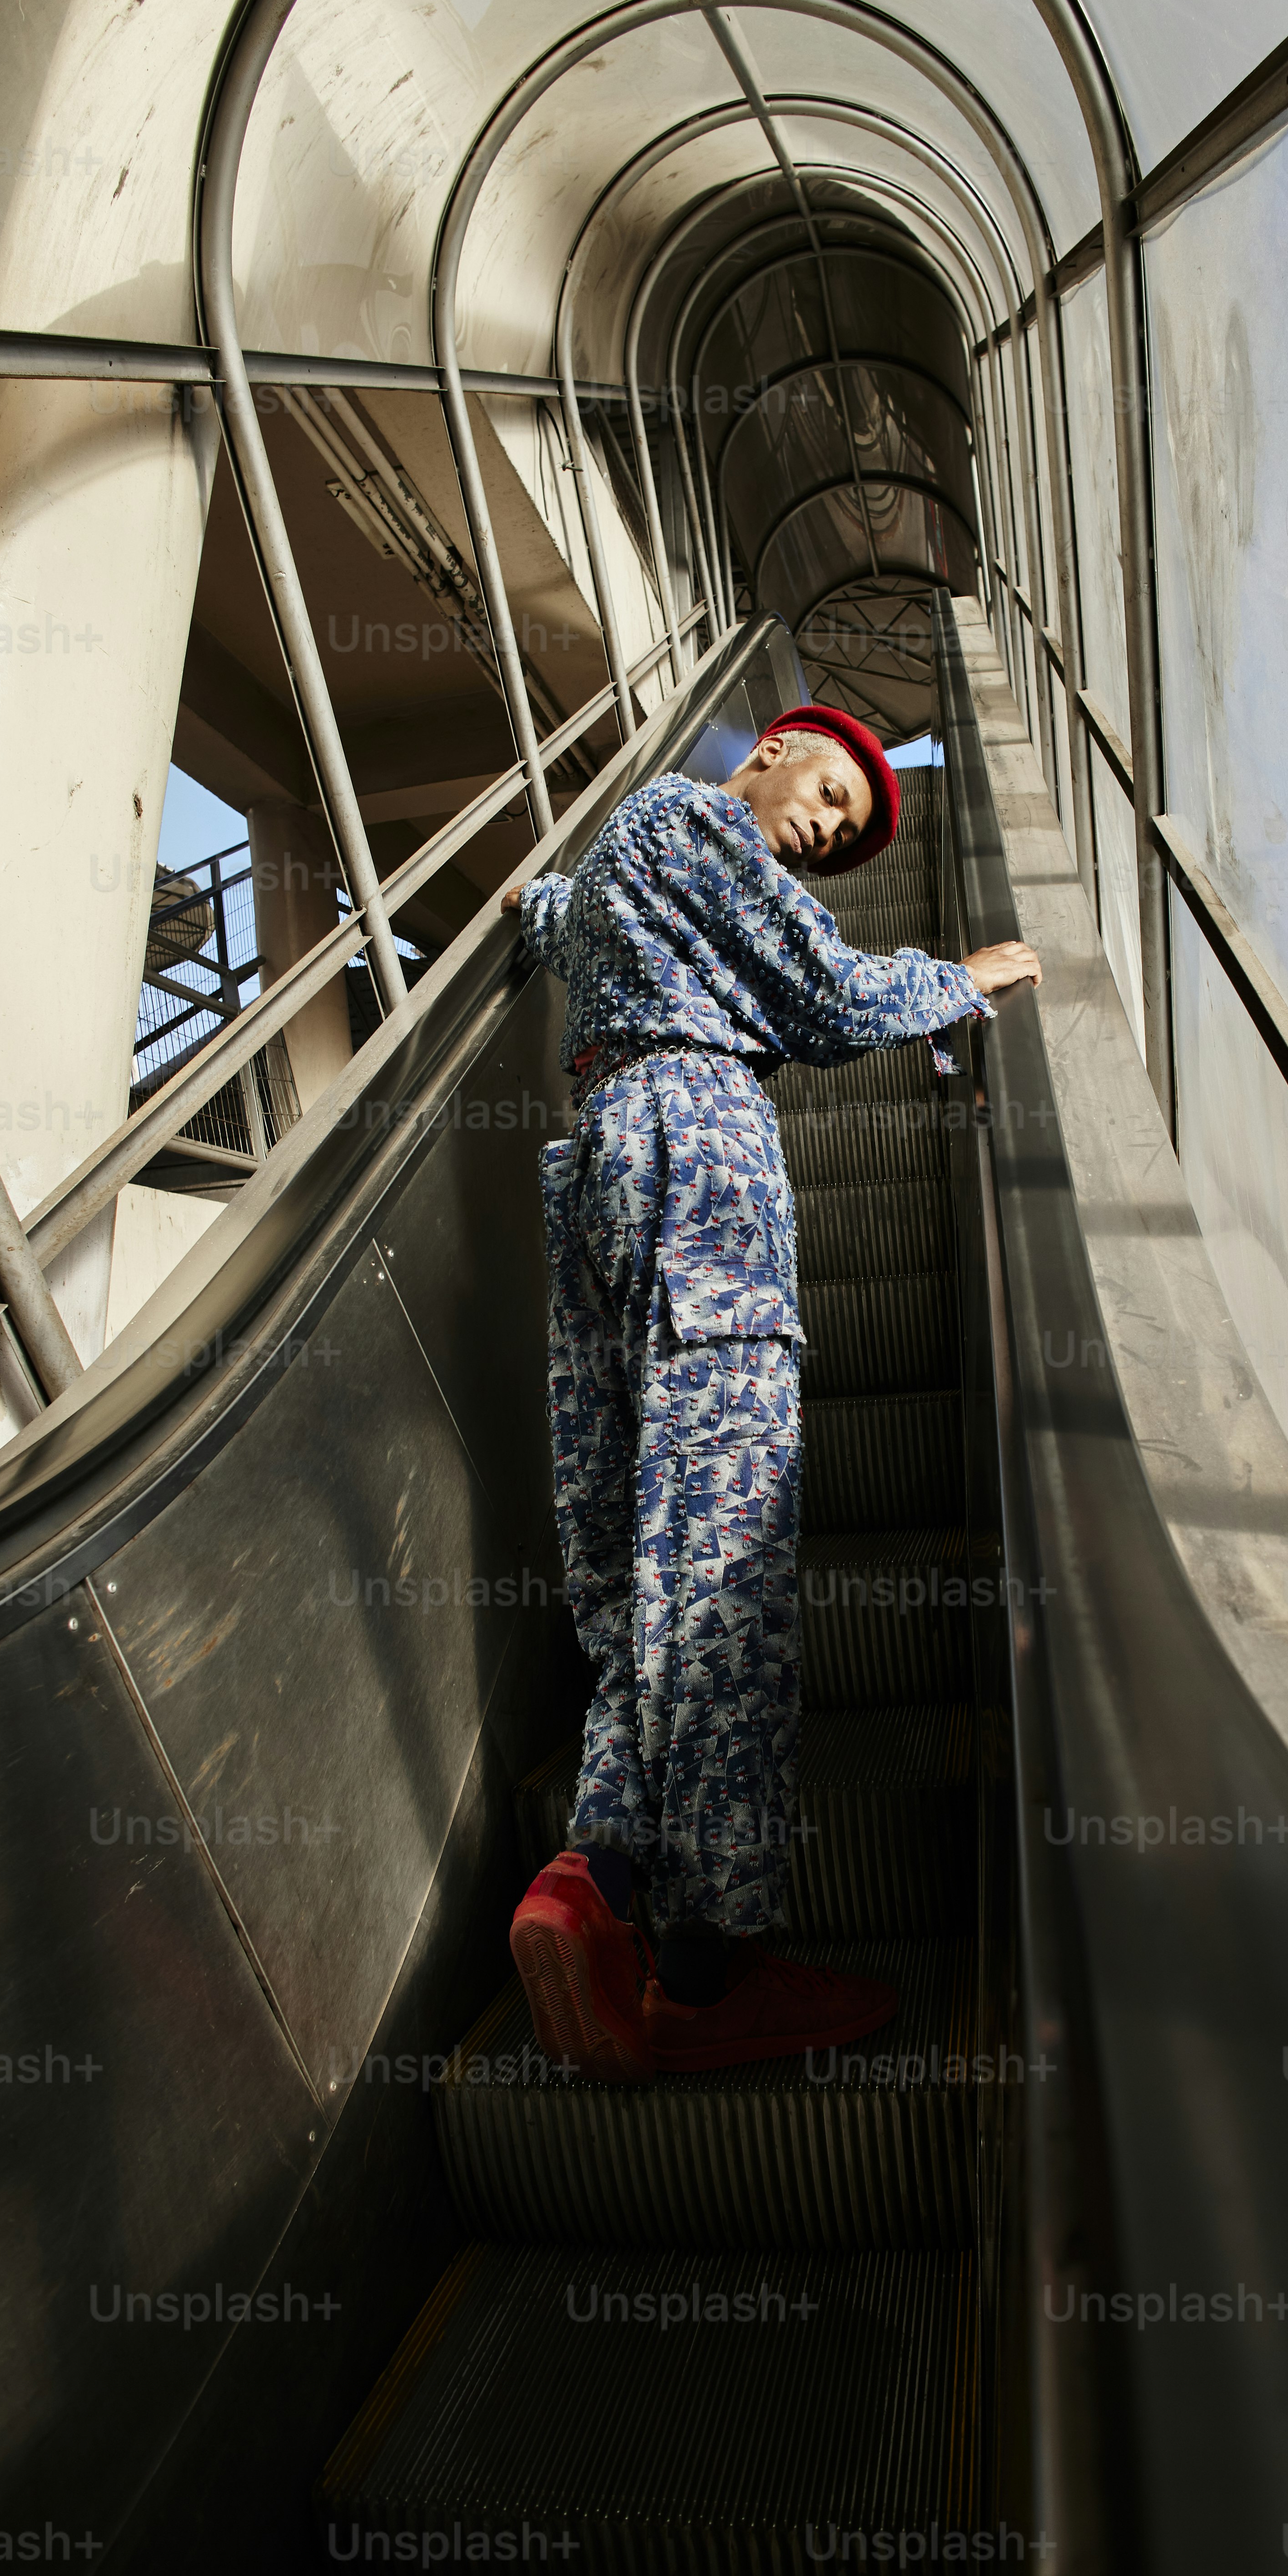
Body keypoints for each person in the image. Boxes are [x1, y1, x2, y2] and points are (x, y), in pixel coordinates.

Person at [500, 705, 1039, 2083]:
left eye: (848, 831)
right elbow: (834, 998)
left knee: (642, 1562)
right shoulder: (693, 819)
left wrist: (533, 902)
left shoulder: (628, 872)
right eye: (832, 789)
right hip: (700, 1169)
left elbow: (555, 915)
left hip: (608, 1179)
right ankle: (709, 1967)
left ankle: (596, 1883)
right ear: (768, 748)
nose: (829, 825)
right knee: (728, 1562)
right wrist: (961, 975)